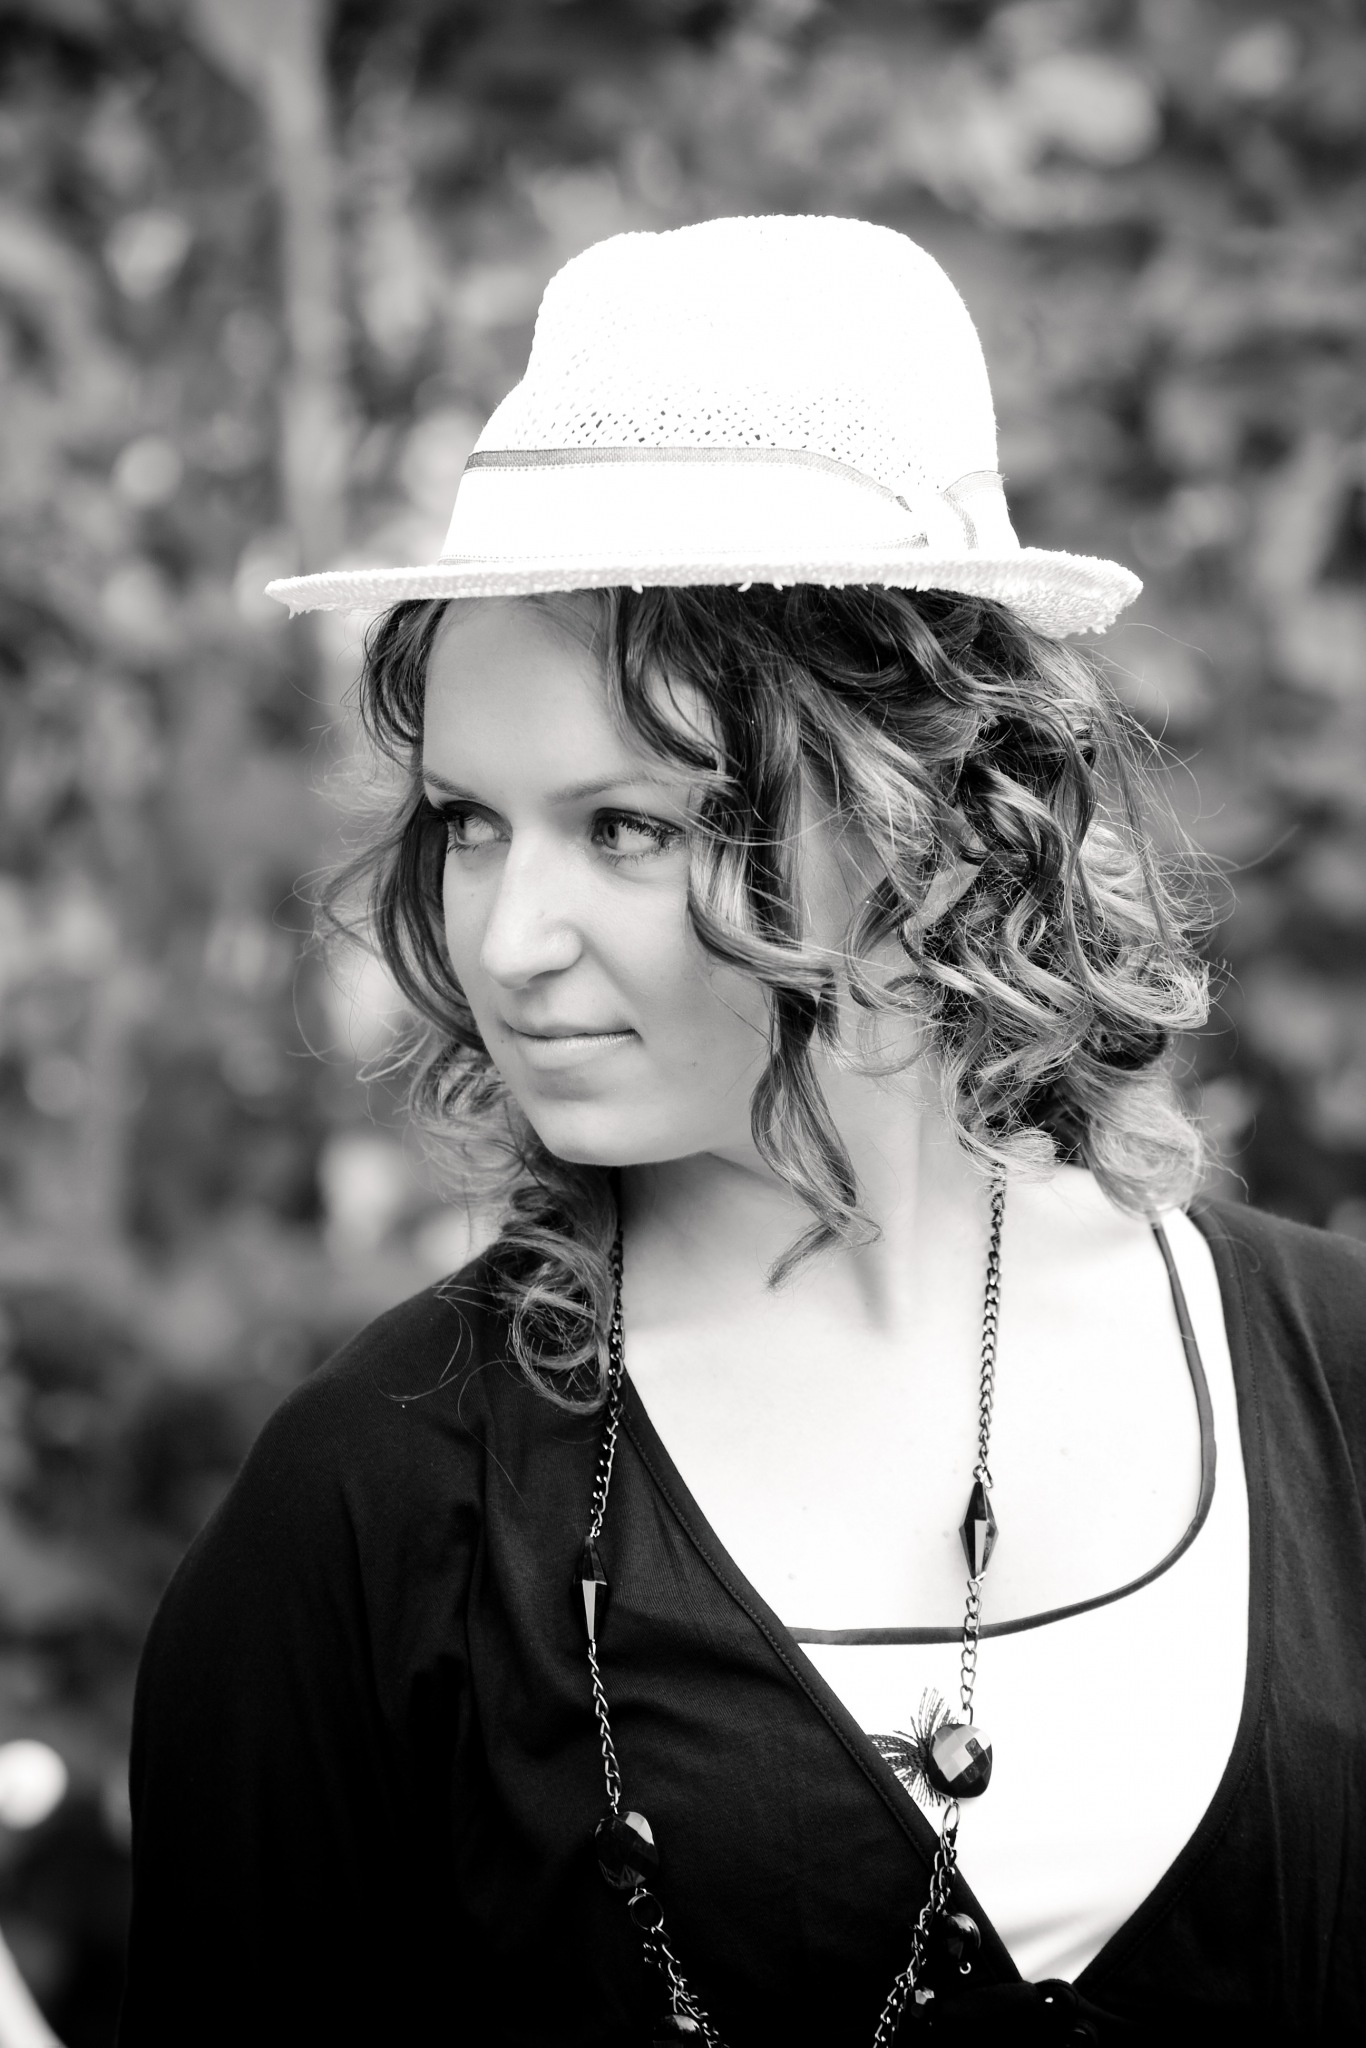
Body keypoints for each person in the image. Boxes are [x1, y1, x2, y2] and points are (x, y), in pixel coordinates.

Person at [117, 218, 1364, 2047]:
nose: (508, 939)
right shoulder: (373, 1520)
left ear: (927, 806)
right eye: (469, 824)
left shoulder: (1331, 1381)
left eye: (623, 827)